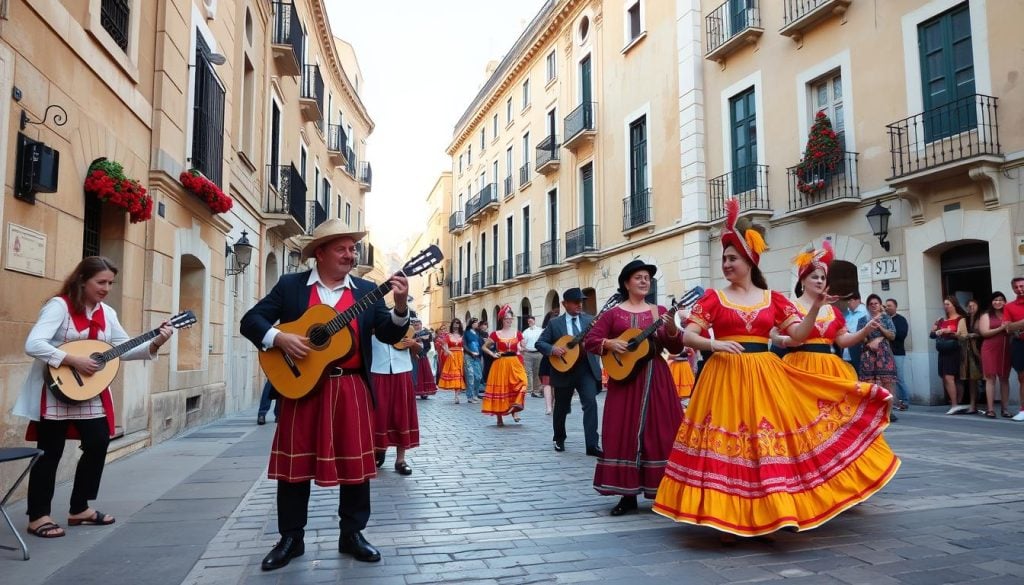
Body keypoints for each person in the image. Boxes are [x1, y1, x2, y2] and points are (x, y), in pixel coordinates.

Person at [653, 199, 899, 538]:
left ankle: (778, 507)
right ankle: (725, 511)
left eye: (732, 258)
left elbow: (796, 335)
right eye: (724, 259)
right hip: (723, 376)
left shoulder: (775, 300)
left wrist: (815, 309)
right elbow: (688, 335)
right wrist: (715, 344)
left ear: (749, 262)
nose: (725, 264)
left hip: (767, 376)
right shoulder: (712, 297)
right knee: (731, 444)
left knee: (769, 443)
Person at [240, 219, 409, 570]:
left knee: (357, 467)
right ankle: (291, 538)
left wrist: (401, 308)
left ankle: (352, 534)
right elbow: (251, 321)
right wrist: (279, 338)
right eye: (342, 249)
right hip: (302, 388)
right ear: (321, 253)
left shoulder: (365, 291)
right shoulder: (291, 287)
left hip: (350, 387)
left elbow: (389, 335)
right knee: (294, 468)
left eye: (352, 249)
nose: (350, 255)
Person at [14, 256, 175, 539]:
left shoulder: (107, 314)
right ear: (82, 280)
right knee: (50, 451)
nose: (106, 288)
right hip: (56, 386)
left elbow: (122, 348)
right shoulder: (59, 306)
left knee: (99, 441)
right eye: (101, 282)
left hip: (88, 390)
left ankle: (80, 508)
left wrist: (157, 341)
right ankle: (38, 516)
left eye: (110, 283)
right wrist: (73, 360)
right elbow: (34, 343)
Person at [583, 260, 684, 516]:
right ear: (627, 282)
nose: (644, 281)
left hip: (655, 377)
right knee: (623, 431)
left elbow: (674, 347)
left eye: (647, 278)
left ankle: (663, 491)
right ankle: (626, 495)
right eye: (638, 277)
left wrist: (671, 327)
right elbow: (591, 341)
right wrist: (609, 343)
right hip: (625, 381)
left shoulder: (657, 311)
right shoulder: (613, 314)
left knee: (661, 430)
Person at [774, 241, 879, 381]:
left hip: (829, 369)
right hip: (799, 368)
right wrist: (782, 340)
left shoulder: (832, 311)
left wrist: (865, 331)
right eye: (814, 277)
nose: (820, 281)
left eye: (823, 278)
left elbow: (842, 341)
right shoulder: (790, 307)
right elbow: (776, 335)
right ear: (803, 280)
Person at [536, 288, 602, 455]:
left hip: (586, 368)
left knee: (591, 404)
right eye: (575, 302)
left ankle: (592, 445)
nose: (579, 304)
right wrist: (553, 349)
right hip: (563, 369)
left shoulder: (590, 320)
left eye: (581, 301)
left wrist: (593, 344)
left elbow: (599, 340)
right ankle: (559, 438)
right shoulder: (555, 323)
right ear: (565, 304)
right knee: (562, 407)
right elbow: (540, 343)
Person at [370, 330, 419, 476]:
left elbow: (418, 352)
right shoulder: (372, 327)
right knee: (378, 415)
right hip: (378, 371)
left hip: (402, 372)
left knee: (402, 415)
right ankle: (377, 450)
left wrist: (413, 344)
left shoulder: (404, 326)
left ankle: (400, 460)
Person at [480, 305, 527, 426]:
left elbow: (521, 348)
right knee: (501, 388)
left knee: (523, 383)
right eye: (506, 318)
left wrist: (522, 347)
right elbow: (484, 347)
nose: (509, 320)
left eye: (511, 318)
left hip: (514, 362)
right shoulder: (496, 334)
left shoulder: (518, 333)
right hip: (501, 363)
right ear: (502, 319)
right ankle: (499, 416)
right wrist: (493, 354)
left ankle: (515, 409)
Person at [857, 294, 899, 421]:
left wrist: (880, 327)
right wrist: (869, 339)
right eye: (871, 304)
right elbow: (860, 338)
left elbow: (892, 336)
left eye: (876, 303)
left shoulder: (886, 319)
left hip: (884, 354)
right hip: (868, 353)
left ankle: (888, 412)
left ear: (880, 305)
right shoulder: (863, 320)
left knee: (887, 382)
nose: (874, 306)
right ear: (868, 306)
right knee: (869, 383)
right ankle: (871, 412)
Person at [931, 296, 968, 415]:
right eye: (945, 304)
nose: (946, 306)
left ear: (954, 305)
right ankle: (955, 403)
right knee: (946, 377)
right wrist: (935, 329)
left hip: (954, 350)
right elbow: (932, 335)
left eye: (948, 304)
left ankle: (955, 403)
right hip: (943, 350)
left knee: (951, 377)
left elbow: (963, 336)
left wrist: (950, 332)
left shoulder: (960, 319)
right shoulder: (941, 320)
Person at [979, 292, 1012, 418]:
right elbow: (984, 333)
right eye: (995, 300)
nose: (998, 302)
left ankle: (1005, 409)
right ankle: (991, 409)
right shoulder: (986, 315)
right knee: (990, 378)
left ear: (1004, 301)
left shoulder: (1008, 314)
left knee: (1004, 378)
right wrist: (1001, 328)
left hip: (1005, 348)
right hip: (989, 349)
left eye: (1000, 300)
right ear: (991, 302)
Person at [1003, 277, 1024, 421]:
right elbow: (1008, 328)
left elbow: (1012, 325)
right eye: (1016, 287)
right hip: (1019, 344)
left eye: (1022, 286)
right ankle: (1023, 410)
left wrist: (1017, 325)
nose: (1020, 289)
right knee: (1022, 377)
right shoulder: (1009, 306)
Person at [885, 298, 911, 410]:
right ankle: (895, 402)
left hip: (897, 353)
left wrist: (889, 333)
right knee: (889, 379)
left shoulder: (901, 320)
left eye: (889, 306)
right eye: (886, 306)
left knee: (899, 378)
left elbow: (901, 335)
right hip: (886, 353)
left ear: (896, 307)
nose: (887, 308)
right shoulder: (884, 319)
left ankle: (905, 400)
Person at [961, 298, 984, 413]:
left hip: (982, 349)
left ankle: (988, 404)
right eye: (969, 306)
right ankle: (973, 404)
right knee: (972, 378)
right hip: (970, 351)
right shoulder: (965, 319)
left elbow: (983, 332)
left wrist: (975, 334)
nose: (971, 308)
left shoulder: (982, 317)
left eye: (973, 306)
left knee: (987, 377)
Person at [437, 318, 466, 400]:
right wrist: (448, 352)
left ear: (460, 325)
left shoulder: (462, 335)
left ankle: (457, 393)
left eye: (458, 323)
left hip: (460, 356)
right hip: (452, 356)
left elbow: (465, 346)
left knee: (460, 374)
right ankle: (456, 396)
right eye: (454, 323)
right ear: (452, 325)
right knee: (456, 373)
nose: (456, 324)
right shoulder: (448, 335)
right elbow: (444, 346)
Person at [410, 316, 438, 399]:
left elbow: (428, 346)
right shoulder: (411, 333)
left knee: (424, 374)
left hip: (422, 356)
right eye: (415, 325)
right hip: (414, 356)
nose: (417, 326)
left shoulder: (426, 333)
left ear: (421, 324)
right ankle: (415, 390)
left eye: (418, 324)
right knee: (415, 373)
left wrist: (422, 353)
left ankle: (424, 392)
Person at [841, 293, 868, 372]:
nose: (848, 302)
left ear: (858, 300)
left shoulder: (865, 313)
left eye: (851, 300)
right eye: (847, 300)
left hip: (860, 351)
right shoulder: (846, 314)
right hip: (845, 352)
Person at [521, 315, 544, 398]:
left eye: (531, 321)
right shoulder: (525, 331)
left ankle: (536, 390)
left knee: (537, 372)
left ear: (534, 321)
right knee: (528, 372)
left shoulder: (540, 330)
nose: (530, 322)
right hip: (528, 353)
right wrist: (523, 349)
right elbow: (522, 342)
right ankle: (529, 389)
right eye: (528, 321)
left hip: (538, 353)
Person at [462, 317, 483, 404]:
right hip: (469, 357)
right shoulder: (466, 333)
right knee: (470, 376)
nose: (477, 324)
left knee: (478, 376)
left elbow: (481, 345)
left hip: (477, 357)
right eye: (475, 322)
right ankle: (470, 396)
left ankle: (475, 394)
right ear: (471, 323)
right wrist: (471, 353)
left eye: (477, 323)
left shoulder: (478, 333)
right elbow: (464, 345)